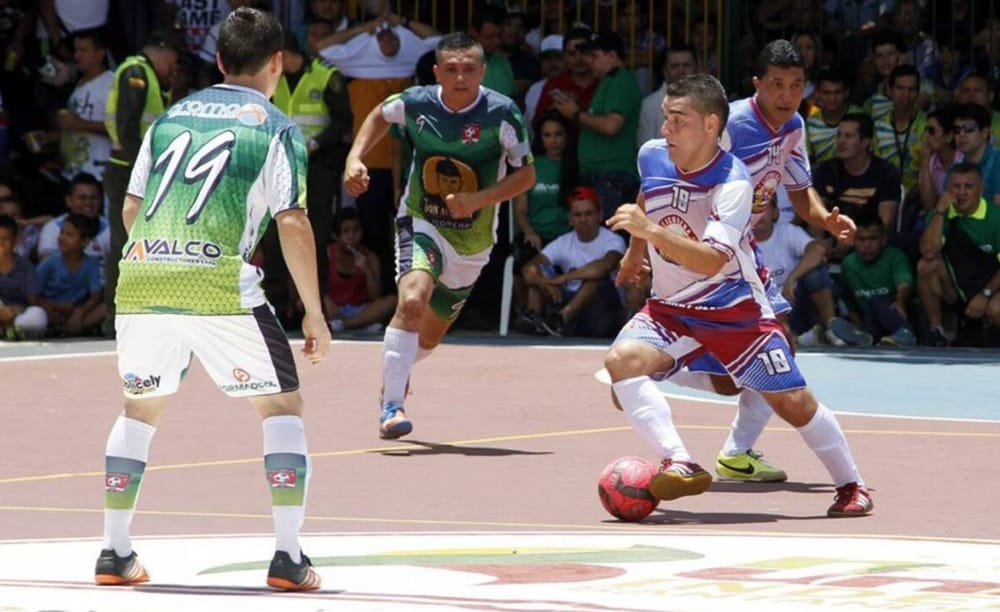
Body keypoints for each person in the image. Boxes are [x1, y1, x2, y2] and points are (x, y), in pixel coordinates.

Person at [93, 7, 330, 591]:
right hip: (220, 281)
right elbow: (293, 221)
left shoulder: (170, 118)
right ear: (277, 63)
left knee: (139, 410)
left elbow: (132, 206)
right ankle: (287, 557)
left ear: (219, 60)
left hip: (143, 277)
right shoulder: (275, 126)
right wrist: (316, 312)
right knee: (280, 408)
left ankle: (114, 551)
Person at [605, 73, 873, 517]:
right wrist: (636, 252)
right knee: (620, 364)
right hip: (669, 309)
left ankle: (851, 485)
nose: (665, 130)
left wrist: (648, 232)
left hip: (732, 307)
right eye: (665, 119)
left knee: (793, 403)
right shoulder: (652, 155)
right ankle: (680, 461)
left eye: (677, 121)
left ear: (711, 125)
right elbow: (647, 197)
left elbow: (710, 261)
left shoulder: (732, 183)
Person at [666, 40, 857, 483]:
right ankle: (655, 367)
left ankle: (735, 450)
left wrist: (825, 219)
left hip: (741, 248)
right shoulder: (731, 122)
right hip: (710, 244)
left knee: (768, 355)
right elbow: (676, 164)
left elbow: (799, 192)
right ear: (757, 84)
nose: (786, 95)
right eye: (776, 85)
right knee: (763, 356)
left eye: (795, 85)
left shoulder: (793, 126)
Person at [343, 32, 535, 440]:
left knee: (428, 335)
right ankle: (391, 407)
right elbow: (380, 113)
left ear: (482, 71)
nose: (460, 77)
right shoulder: (417, 102)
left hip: (473, 241)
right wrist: (355, 157)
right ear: (436, 72)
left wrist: (478, 199)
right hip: (421, 221)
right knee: (412, 300)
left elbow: (527, 175)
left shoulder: (501, 114)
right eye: (451, 69)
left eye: (468, 69)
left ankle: (398, 372)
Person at [102, 28, 182, 336]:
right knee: (124, 245)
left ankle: (141, 312)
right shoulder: (136, 72)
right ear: (162, 51)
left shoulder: (151, 77)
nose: (173, 67)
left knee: (147, 245)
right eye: (172, 60)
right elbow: (127, 128)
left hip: (141, 171)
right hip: (128, 171)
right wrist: (144, 170)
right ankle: (116, 317)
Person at [520, 186, 625, 338]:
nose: (583, 220)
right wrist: (545, 282)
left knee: (594, 281)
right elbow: (528, 269)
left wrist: (564, 278)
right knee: (537, 277)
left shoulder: (613, 240)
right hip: (571, 308)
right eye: (578, 215)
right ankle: (535, 323)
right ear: (570, 219)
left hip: (603, 313)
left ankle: (559, 320)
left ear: (599, 215)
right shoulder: (564, 242)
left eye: (589, 214)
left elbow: (604, 267)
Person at [916, 162, 1000, 347]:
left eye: (968, 187)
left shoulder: (996, 218)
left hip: (991, 290)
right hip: (958, 289)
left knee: (996, 309)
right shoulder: (940, 213)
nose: (961, 192)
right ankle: (937, 331)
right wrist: (939, 212)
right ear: (947, 189)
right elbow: (929, 252)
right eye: (956, 187)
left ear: (981, 189)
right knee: (926, 266)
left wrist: (985, 295)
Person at [840, 220, 917, 347]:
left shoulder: (896, 256)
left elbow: (904, 283)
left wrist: (901, 300)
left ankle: (905, 333)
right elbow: (846, 299)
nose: (867, 245)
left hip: (900, 311)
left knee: (877, 302)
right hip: (871, 318)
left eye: (873, 239)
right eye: (861, 239)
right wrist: (856, 320)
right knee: (871, 322)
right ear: (853, 240)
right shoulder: (848, 264)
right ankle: (866, 336)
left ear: (884, 239)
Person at [324, 207, 396, 333]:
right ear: (336, 235)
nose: (352, 236)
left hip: (360, 309)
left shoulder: (370, 257)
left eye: (356, 230)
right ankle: (360, 324)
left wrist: (366, 270)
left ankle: (346, 324)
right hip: (333, 308)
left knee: (392, 301)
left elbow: (375, 297)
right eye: (346, 231)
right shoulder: (327, 254)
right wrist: (326, 299)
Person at [36, 213, 105, 336]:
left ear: (84, 241)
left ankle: (73, 327)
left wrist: (79, 312)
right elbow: (33, 294)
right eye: (62, 233)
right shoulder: (50, 262)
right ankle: (66, 327)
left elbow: (95, 297)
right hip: (53, 309)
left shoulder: (91, 264)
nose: (62, 237)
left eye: (69, 235)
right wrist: (56, 306)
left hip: (76, 310)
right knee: (38, 312)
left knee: (106, 307)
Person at [0, 214, 47, 340]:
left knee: (38, 315)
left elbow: (34, 303)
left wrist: (17, 309)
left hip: (17, 315)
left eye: (5, 239)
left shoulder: (26, 266)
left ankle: (7, 327)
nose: (1, 244)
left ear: (16, 240)